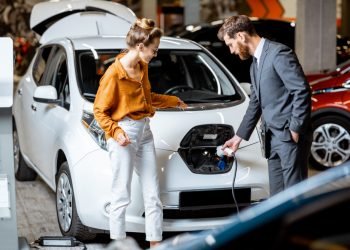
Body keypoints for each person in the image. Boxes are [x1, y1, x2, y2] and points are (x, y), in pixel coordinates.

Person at [93, 18, 187, 247]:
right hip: (124, 133)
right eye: (154, 50)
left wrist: (172, 100)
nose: (155, 55)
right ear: (140, 46)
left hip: (145, 131)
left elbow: (147, 98)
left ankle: (155, 244)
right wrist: (115, 133)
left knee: (153, 194)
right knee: (121, 195)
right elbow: (99, 110)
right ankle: (119, 244)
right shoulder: (114, 75)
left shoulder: (142, 67)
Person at [218, 15, 312, 196]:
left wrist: (295, 128)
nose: (231, 51)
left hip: (289, 138)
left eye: (230, 44)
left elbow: (301, 90)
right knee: (277, 199)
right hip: (272, 139)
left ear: (241, 36)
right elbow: (256, 103)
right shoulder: (255, 64)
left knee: (295, 197)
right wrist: (238, 137)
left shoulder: (279, 54)